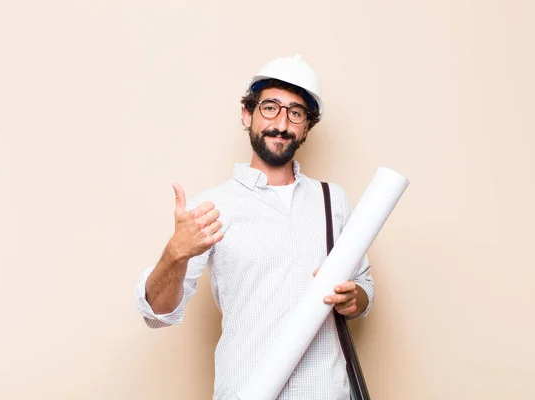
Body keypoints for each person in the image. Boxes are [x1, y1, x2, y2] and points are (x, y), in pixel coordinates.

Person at [134, 54, 374, 400]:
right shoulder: (212, 206)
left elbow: (364, 286)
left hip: (327, 391)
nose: (282, 123)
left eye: (296, 113)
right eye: (270, 108)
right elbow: (156, 315)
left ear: (307, 126)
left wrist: (355, 297)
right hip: (247, 391)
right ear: (248, 114)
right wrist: (175, 253)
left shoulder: (332, 200)